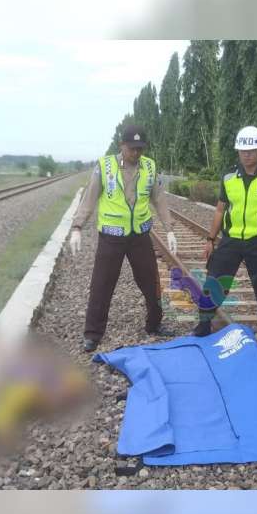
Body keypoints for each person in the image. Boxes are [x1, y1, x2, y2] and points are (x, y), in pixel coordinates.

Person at [68, 124, 178, 352]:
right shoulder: (104, 166)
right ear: (122, 146)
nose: (136, 153)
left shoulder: (149, 166)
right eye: (132, 148)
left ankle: (154, 324)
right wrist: (77, 226)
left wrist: (169, 229)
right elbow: (89, 199)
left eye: (140, 149)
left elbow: (159, 199)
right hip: (111, 237)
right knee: (101, 285)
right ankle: (92, 333)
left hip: (139, 236)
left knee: (151, 282)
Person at [193, 126, 257, 355]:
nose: (247, 154)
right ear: (238, 151)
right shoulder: (228, 177)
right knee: (215, 282)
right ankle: (203, 324)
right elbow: (220, 210)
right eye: (243, 150)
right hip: (230, 240)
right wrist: (210, 239)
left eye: (252, 150)